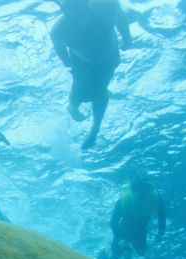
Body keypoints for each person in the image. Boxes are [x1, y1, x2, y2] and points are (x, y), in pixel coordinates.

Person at [49, 0, 132, 149]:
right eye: (76, 12)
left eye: (84, 9)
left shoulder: (107, 5)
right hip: (83, 64)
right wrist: (70, 62)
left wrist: (127, 38)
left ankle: (95, 129)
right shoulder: (59, 30)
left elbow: (119, 17)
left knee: (100, 90)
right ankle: (73, 109)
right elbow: (61, 51)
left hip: (109, 59)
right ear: (65, 8)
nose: (83, 17)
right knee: (80, 94)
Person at [100, 176, 167, 259]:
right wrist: (120, 239)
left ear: (149, 189)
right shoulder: (124, 199)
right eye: (138, 191)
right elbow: (113, 222)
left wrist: (161, 232)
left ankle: (128, 249)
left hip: (141, 231)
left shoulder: (154, 197)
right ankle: (107, 244)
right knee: (112, 258)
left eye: (144, 191)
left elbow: (162, 213)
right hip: (124, 231)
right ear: (133, 190)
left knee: (141, 253)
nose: (141, 195)